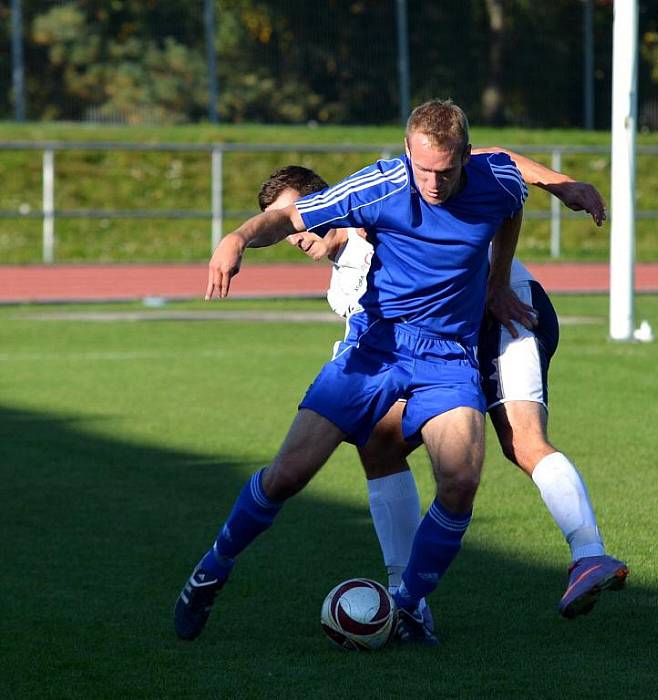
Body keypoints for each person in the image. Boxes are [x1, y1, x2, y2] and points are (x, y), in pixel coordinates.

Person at [175, 99, 532, 646]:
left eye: (444, 170)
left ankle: (408, 606)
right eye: (421, 168)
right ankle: (212, 568)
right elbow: (289, 216)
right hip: (374, 350)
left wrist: (498, 279)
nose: (432, 183)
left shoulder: (496, 179)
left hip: (447, 357)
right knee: (288, 475)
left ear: (465, 154)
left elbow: (513, 203)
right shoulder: (382, 185)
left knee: (461, 480)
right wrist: (237, 238)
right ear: (406, 151)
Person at [276, 151, 627, 625]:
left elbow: (486, 158)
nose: (294, 234)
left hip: (503, 314)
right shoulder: (340, 286)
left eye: (293, 217)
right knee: (378, 443)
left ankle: (589, 554)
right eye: (280, 226)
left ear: (325, 202)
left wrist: (559, 183)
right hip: (441, 352)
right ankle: (407, 598)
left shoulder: (382, 203)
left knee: (522, 441)